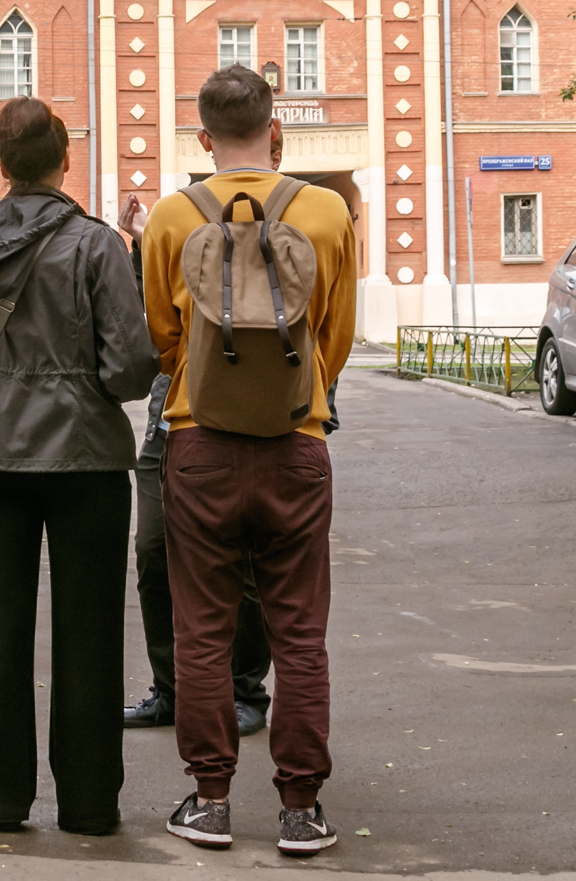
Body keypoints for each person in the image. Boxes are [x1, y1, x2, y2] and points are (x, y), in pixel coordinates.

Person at [140, 65, 357, 856]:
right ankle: (301, 808)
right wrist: (299, 389)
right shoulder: (328, 211)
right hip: (298, 442)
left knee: (201, 630)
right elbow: (336, 335)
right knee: (300, 632)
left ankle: (209, 801)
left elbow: (164, 341)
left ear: (201, 137)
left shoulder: (171, 216)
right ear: (277, 131)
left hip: (200, 442)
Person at [0, 98, 158, 834]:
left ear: (1, 162)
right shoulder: (97, 246)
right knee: (91, 632)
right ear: (64, 159)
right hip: (84, 457)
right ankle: (89, 803)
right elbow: (128, 368)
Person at [117, 195, 272, 738]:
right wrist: (142, 243)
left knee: (244, 561)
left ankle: (244, 689)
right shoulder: (179, 217)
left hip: (252, 412)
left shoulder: (296, 216)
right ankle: (171, 688)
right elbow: (155, 318)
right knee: (153, 551)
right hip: (173, 413)